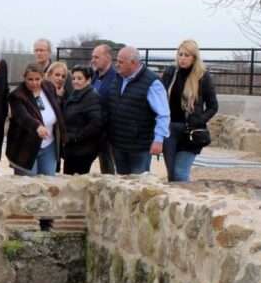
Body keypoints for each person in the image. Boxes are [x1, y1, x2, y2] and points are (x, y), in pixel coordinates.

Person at [160, 40, 218, 182]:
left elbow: (213, 106)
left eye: (187, 55)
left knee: (180, 172)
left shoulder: (203, 77)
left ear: (194, 58)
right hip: (170, 129)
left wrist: (200, 120)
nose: (183, 58)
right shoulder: (171, 73)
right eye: (180, 54)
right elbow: (159, 97)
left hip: (191, 132)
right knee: (171, 175)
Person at [105, 46, 169, 175]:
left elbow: (163, 114)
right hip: (118, 143)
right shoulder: (117, 79)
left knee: (139, 184)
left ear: (133, 63)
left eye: (121, 62)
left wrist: (158, 140)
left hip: (140, 146)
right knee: (122, 183)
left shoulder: (152, 82)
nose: (117, 65)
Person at [6, 63, 66, 176]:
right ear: (24, 78)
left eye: (37, 79)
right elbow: (22, 116)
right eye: (30, 79)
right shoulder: (17, 95)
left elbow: (57, 109)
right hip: (25, 146)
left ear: (43, 77)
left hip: (49, 145)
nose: (34, 83)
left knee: (48, 180)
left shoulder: (49, 87)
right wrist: (37, 126)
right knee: (28, 183)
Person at [62, 66, 102, 175]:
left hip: (83, 149)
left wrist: (75, 138)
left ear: (88, 80)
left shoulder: (92, 97)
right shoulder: (75, 94)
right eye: (74, 78)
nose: (75, 81)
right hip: (72, 148)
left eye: (80, 78)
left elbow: (95, 124)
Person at [91, 44, 117, 174]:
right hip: (96, 130)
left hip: (109, 132)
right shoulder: (94, 76)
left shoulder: (116, 78)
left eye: (96, 57)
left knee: (110, 168)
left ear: (107, 58)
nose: (93, 60)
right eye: (92, 57)